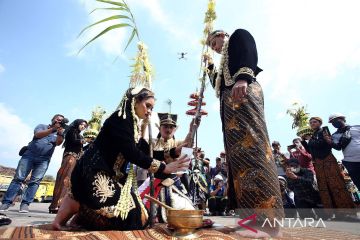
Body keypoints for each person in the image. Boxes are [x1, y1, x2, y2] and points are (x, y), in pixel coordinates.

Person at [52, 87, 189, 231]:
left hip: (107, 175)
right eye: (147, 106)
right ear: (135, 101)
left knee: (140, 214)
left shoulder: (132, 124)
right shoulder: (121, 118)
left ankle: (80, 213)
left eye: (152, 108)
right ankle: (79, 209)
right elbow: (131, 152)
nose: (149, 111)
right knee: (135, 217)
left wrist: (173, 152)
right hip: (92, 173)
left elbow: (146, 151)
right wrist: (163, 167)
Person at [205, 29, 283, 237]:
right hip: (230, 105)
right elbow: (218, 85)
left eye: (215, 42)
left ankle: (267, 219)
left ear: (223, 34)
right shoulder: (223, 64)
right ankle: (249, 218)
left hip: (244, 94)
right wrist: (209, 66)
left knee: (254, 149)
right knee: (238, 159)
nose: (215, 47)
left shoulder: (238, 36)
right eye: (211, 46)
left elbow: (248, 49)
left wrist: (243, 78)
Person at [0, 114, 66, 213]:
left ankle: (25, 205)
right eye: (58, 119)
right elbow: (37, 135)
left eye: (61, 120)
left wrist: (60, 133)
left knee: (35, 181)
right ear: (53, 119)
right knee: (18, 178)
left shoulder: (59, 131)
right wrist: (53, 129)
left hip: (44, 159)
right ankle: (6, 203)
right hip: (29, 155)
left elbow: (58, 143)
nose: (59, 121)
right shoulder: (42, 126)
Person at [138, 112, 196, 223]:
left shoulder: (178, 142)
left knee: (186, 208)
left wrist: (191, 130)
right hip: (153, 181)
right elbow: (141, 146)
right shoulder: (152, 142)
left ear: (175, 129)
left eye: (171, 127)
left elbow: (188, 145)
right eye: (165, 126)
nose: (168, 129)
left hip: (173, 182)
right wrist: (144, 126)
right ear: (159, 128)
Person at [307, 117, 356, 220]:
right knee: (325, 188)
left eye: (314, 122)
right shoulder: (312, 135)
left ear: (320, 123)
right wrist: (304, 141)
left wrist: (310, 141)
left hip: (328, 160)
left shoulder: (324, 130)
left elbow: (323, 144)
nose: (312, 124)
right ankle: (334, 214)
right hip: (318, 163)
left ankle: (347, 213)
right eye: (311, 122)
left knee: (336, 184)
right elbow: (310, 150)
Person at [49, 119, 88, 213]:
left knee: (69, 182)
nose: (83, 127)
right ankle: (56, 205)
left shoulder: (80, 135)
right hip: (70, 158)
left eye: (85, 126)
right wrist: (84, 140)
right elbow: (74, 141)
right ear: (77, 124)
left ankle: (61, 206)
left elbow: (80, 148)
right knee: (64, 179)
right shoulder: (71, 131)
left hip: (76, 159)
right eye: (82, 124)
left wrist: (89, 144)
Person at [325, 113, 360, 190]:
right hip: (351, 162)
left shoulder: (357, 127)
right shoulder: (334, 136)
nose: (334, 123)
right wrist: (330, 142)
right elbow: (338, 147)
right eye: (332, 122)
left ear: (343, 119)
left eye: (336, 120)